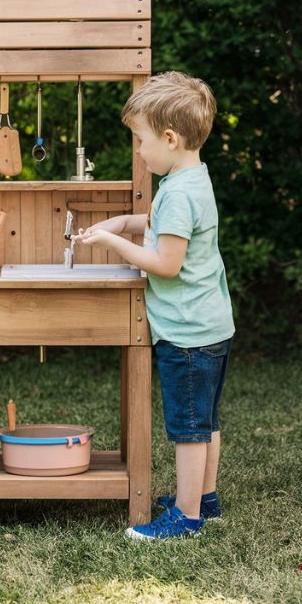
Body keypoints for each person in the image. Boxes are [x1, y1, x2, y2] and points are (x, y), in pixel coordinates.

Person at [75, 71, 234, 540]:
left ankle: (185, 519)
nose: (139, 151)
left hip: (187, 334)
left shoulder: (180, 191)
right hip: (211, 326)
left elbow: (165, 263)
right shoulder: (191, 179)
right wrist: (127, 220)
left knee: (188, 428)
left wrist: (111, 242)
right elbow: (164, 223)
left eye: (141, 141)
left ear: (169, 137)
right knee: (205, 421)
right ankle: (205, 500)